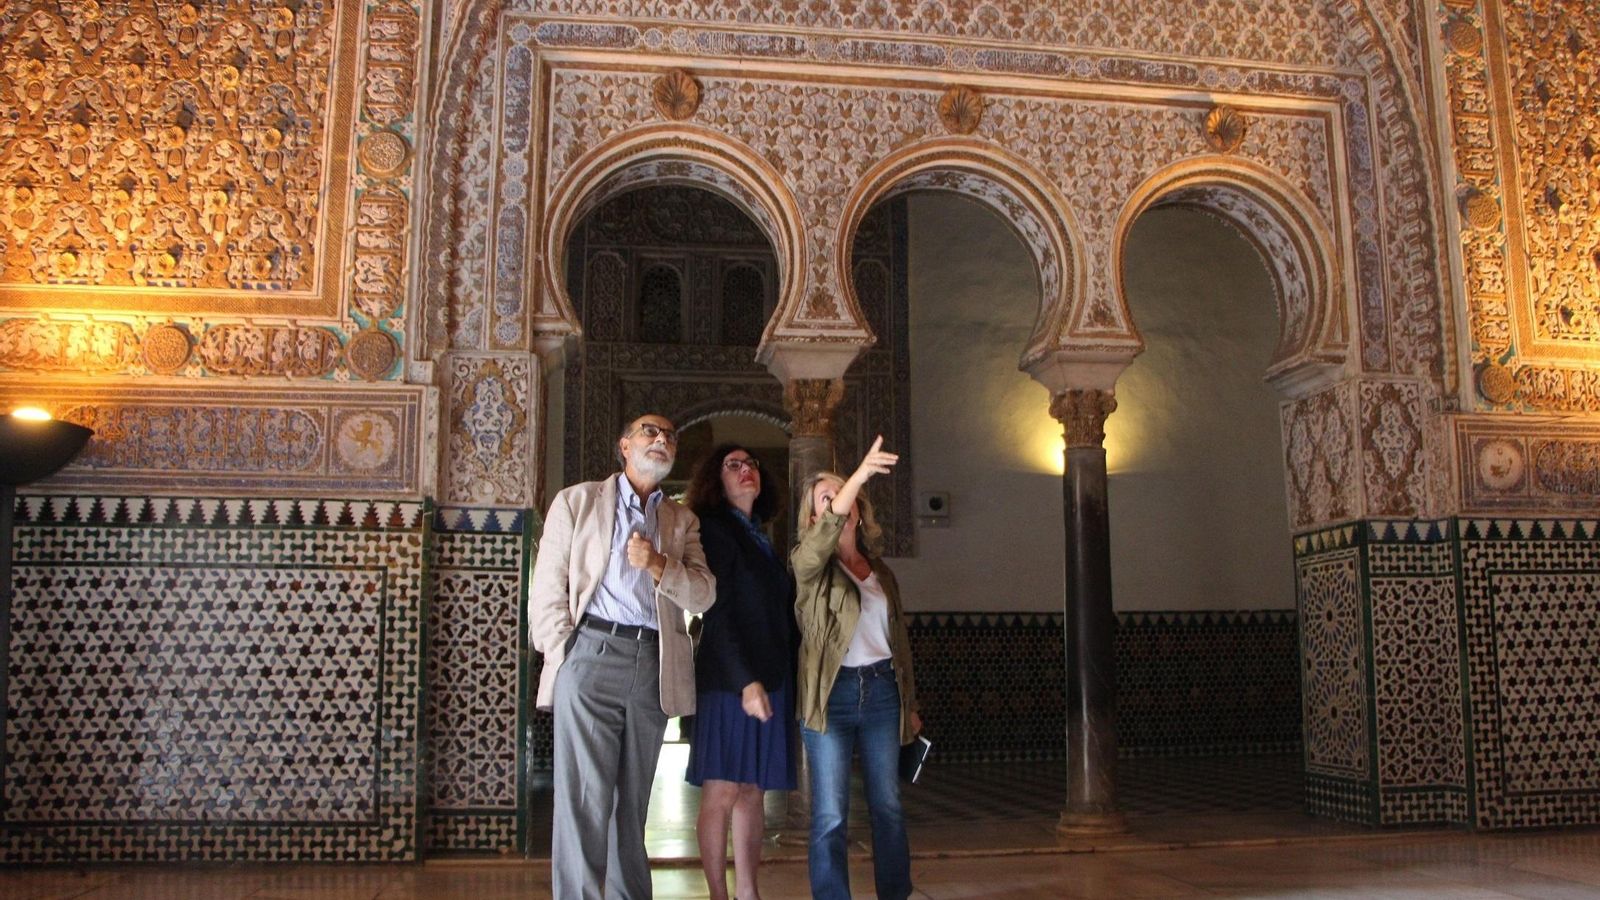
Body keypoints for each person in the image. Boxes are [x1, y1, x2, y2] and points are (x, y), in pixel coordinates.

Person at [529, 413, 717, 899]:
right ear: (624, 446)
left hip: (654, 665)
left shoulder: (681, 519)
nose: (661, 439)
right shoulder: (576, 502)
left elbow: (703, 594)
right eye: (650, 432)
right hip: (591, 654)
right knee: (584, 800)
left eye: (670, 436)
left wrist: (658, 565)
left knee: (630, 805)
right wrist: (565, 651)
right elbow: (547, 587)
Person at [792, 437, 922, 900]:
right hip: (833, 696)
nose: (836, 504)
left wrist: (910, 705)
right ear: (814, 519)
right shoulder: (809, 567)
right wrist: (860, 473)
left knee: (888, 806)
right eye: (825, 499)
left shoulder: (880, 572)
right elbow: (817, 547)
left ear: (860, 512)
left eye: (843, 495)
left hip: (883, 692)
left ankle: (895, 893)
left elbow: (898, 643)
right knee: (830, 813)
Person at [683, 444, 798, 900]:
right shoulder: (714, 529)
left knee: (753, 789)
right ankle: (719, 894)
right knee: (723, 789)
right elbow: (718, 612)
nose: (746, 470)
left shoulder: (759, 535)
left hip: (769, 678)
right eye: (733, 465)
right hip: (731, 681)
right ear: (717, 479)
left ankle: (749, 893)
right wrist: (744, 681)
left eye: (751, 464)